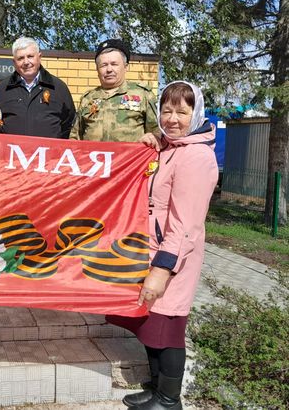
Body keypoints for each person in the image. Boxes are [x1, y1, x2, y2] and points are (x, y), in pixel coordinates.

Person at [107, 81, 218, 410]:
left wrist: (162, 270)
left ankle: (169, 399)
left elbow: (185, 226)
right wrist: (146, 147)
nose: (172, 119)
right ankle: (155, 389)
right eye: (166, 111)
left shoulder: (196, 157)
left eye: (181, 112)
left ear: (196, 114)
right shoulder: (169, 148)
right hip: (152, 249)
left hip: (174, 257)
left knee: (168, 329)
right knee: (151, 323)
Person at [69, 38, 158, 142]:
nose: (109, 70)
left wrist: (153, 138)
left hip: (130, 153)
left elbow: (157, 132)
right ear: (97, 69)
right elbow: (75, 138)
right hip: (93, 153)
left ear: (126, 67)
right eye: (104, 65)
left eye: (114, 64)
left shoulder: (143, 94)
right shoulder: (87, 98)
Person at [0, 37, 75, 138]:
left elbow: (68, 124)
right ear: (14, 62)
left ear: (39, 57)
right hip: (11, 148)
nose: (26, 62)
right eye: (20, 58)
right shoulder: (1, 89)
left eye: (30, 56)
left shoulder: (59, 88)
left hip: (49, 148)